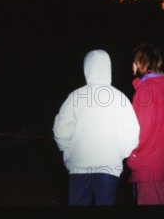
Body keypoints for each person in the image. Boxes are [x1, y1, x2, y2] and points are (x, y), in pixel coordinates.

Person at [53, 49, 140, 206]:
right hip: (109, 165)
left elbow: (60, 130)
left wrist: (67, 151)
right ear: (108, 68)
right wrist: (121, 153)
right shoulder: (120, 98)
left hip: (79, 164)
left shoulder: (76, 96)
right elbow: (133, 132)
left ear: (87, 68)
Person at [127, 43, 164, 205]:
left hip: (148, 163)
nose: (132, 65)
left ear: (141, 63)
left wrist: (133, 155)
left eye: (134, 61)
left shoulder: (146, 90)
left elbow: (141, 130)